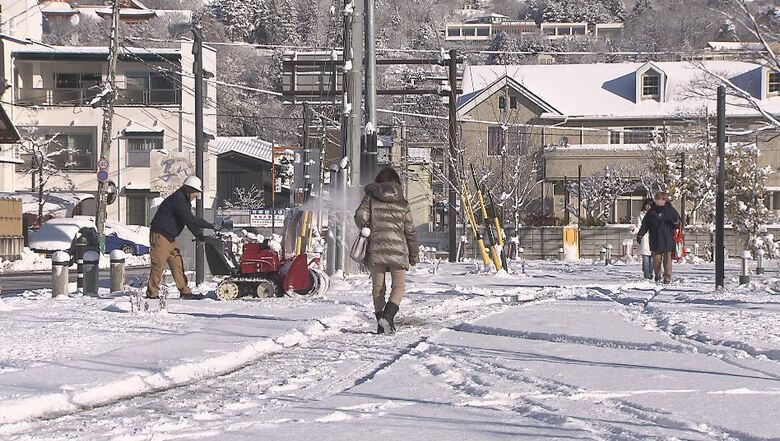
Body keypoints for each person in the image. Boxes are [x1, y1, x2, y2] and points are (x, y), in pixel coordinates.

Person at [354, 167, 419, 334]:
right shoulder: (403, 203)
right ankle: (388, 317)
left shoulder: (371, 198)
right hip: (398, 249)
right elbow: (410, 230)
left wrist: (366, 225)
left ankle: (381, 324)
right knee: (399, 286)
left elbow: (360, 216)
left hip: (376, 248)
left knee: (378, 288)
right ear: (396, 183)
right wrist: (413, 254)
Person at [147, 176, 215, 299]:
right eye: (195, 193)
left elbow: (189, 222)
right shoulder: (178, 200)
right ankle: (152, 294)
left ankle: (185, 291)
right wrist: (210, 226)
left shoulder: (183, 200)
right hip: (160, 235)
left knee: (177, 264)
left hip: (169, 237)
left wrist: (201, 236)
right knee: (158, 265)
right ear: (189, 189)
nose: (196, 196)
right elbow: (190, 220)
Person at [636, 192, 680, 284]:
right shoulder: (651, 211)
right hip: (655, 239)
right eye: (656, 199)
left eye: (658, 199)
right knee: (656, 260)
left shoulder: (670, 210)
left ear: (664, 200)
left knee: (667, 260)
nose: (656, 201)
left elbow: (678, 223)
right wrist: (640, 234)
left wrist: (675, 222)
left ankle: (667, 277)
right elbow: (645, 225)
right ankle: (657, 274)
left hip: (667, 238)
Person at [632, 198, 654, 280]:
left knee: (652, 259)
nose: (648, 207)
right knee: (645, 259)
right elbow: (638, 227)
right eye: (647, 204)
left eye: (650, 205)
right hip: (644, 238)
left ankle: (650, 273)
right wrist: (634, 230)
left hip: (653, 238)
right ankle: (646, 275)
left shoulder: (655, 214)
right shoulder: (641, 215)